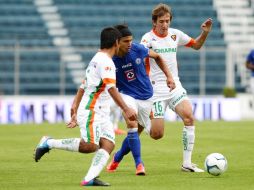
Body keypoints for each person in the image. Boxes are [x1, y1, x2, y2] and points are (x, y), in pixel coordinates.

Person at [107, 4, 212, 173]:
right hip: (154, 91)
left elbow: (196, 45)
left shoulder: (175, 35)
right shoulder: (147, 39)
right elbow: (137, 59)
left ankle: (187, 163)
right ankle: (118, 156)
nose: (165, 25)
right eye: (161, 21)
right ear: (154, 22)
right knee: (153, 133)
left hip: (174, 86)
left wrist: (205, 33)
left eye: (168, 21)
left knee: (189, 117)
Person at [34, 26, 137, 186]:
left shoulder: (97, 58)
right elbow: (111, 89)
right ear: (116, 42)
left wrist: (75, 104)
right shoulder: (106, 63)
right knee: (90, 146)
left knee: (108, 144)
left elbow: (84, 84)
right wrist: (126, 109)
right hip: (92, 110)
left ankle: (90, 178)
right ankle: (49, 142)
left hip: (100, 112)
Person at [106, 24, 175, 175]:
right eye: (126, 41)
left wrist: (169, 76)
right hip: (127, 95)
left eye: (131, 40)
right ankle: (139, 164)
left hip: (147, 96)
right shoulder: (110, 60)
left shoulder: (138, 49)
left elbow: (157, 56)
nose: (129, 44)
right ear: (117, 42)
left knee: (155, 134)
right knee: (131, 123)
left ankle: (117, 157)